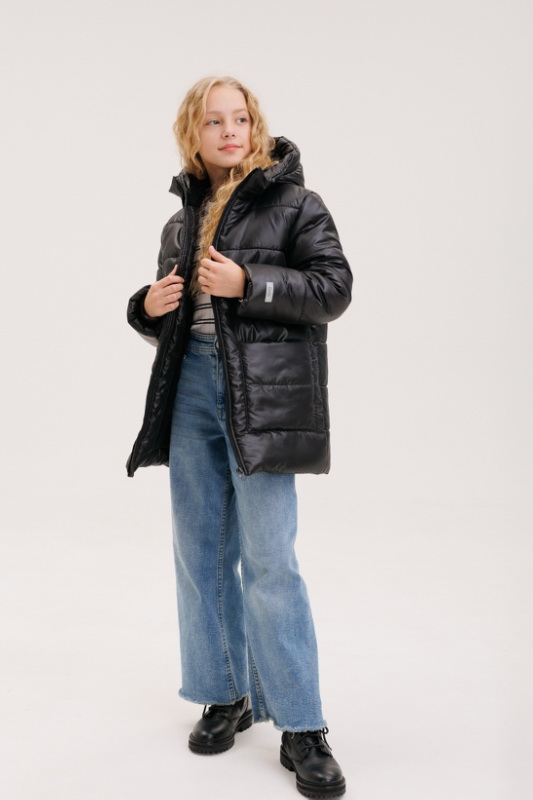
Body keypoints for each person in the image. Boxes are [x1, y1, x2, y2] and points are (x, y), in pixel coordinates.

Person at [126, 75, 352, 798]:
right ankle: (226, 694)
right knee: (199, 553)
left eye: (241, 118)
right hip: (191, 389)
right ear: (191, 134)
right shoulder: (180, 221)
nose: (230, 131)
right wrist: (147, 307)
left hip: (259, 398)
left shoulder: (298, 204)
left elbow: (333, 289)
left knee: (269, 559)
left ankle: (302, 725)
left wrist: (249, 284)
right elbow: (171, 319)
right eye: (214, 121)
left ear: (256, 127)